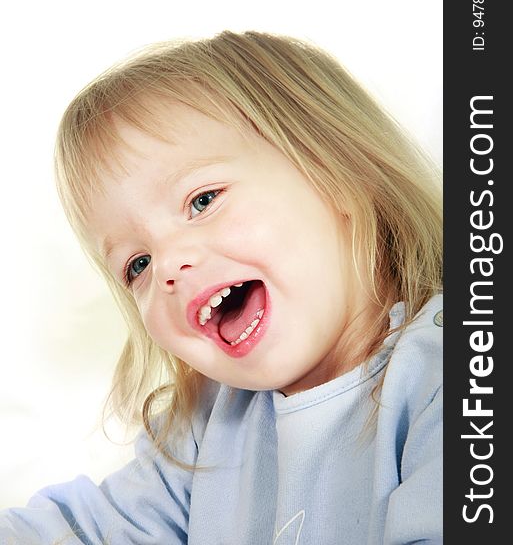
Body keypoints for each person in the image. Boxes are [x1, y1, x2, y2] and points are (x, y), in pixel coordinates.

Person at [0, 31, 442, 544]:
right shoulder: (207, 428)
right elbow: (83, 532)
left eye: (203, 201)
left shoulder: (450, 373)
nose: (167, 266)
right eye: (137, 264)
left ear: (336, 173)